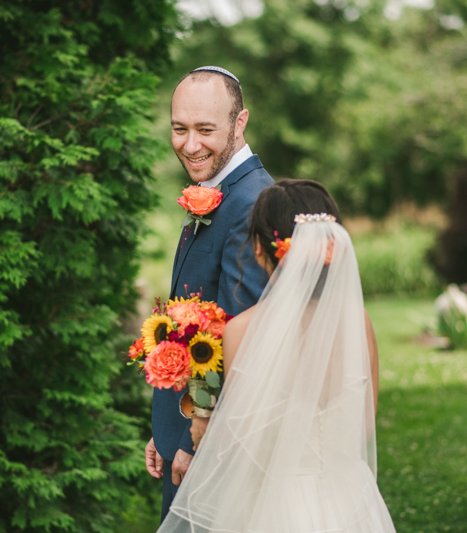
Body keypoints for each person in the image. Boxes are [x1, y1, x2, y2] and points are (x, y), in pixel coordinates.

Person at [158, 180, 396, 532]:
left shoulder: (243, 330)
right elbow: (364, 426)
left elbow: (240, 442)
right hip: (350, 501)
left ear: (258, 248)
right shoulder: (360, 323)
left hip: (273, 503)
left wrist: (201, 421)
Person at [145, 66, 275, 522]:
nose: (190, 144)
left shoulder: (252, 202)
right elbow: (195, 320)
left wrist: (192, 440)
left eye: (206, 129)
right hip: (184, 428)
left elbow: (242, 337)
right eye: (179, 129)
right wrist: (166, 426)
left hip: (209, 446)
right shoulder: (217, 188)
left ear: (240, 123)